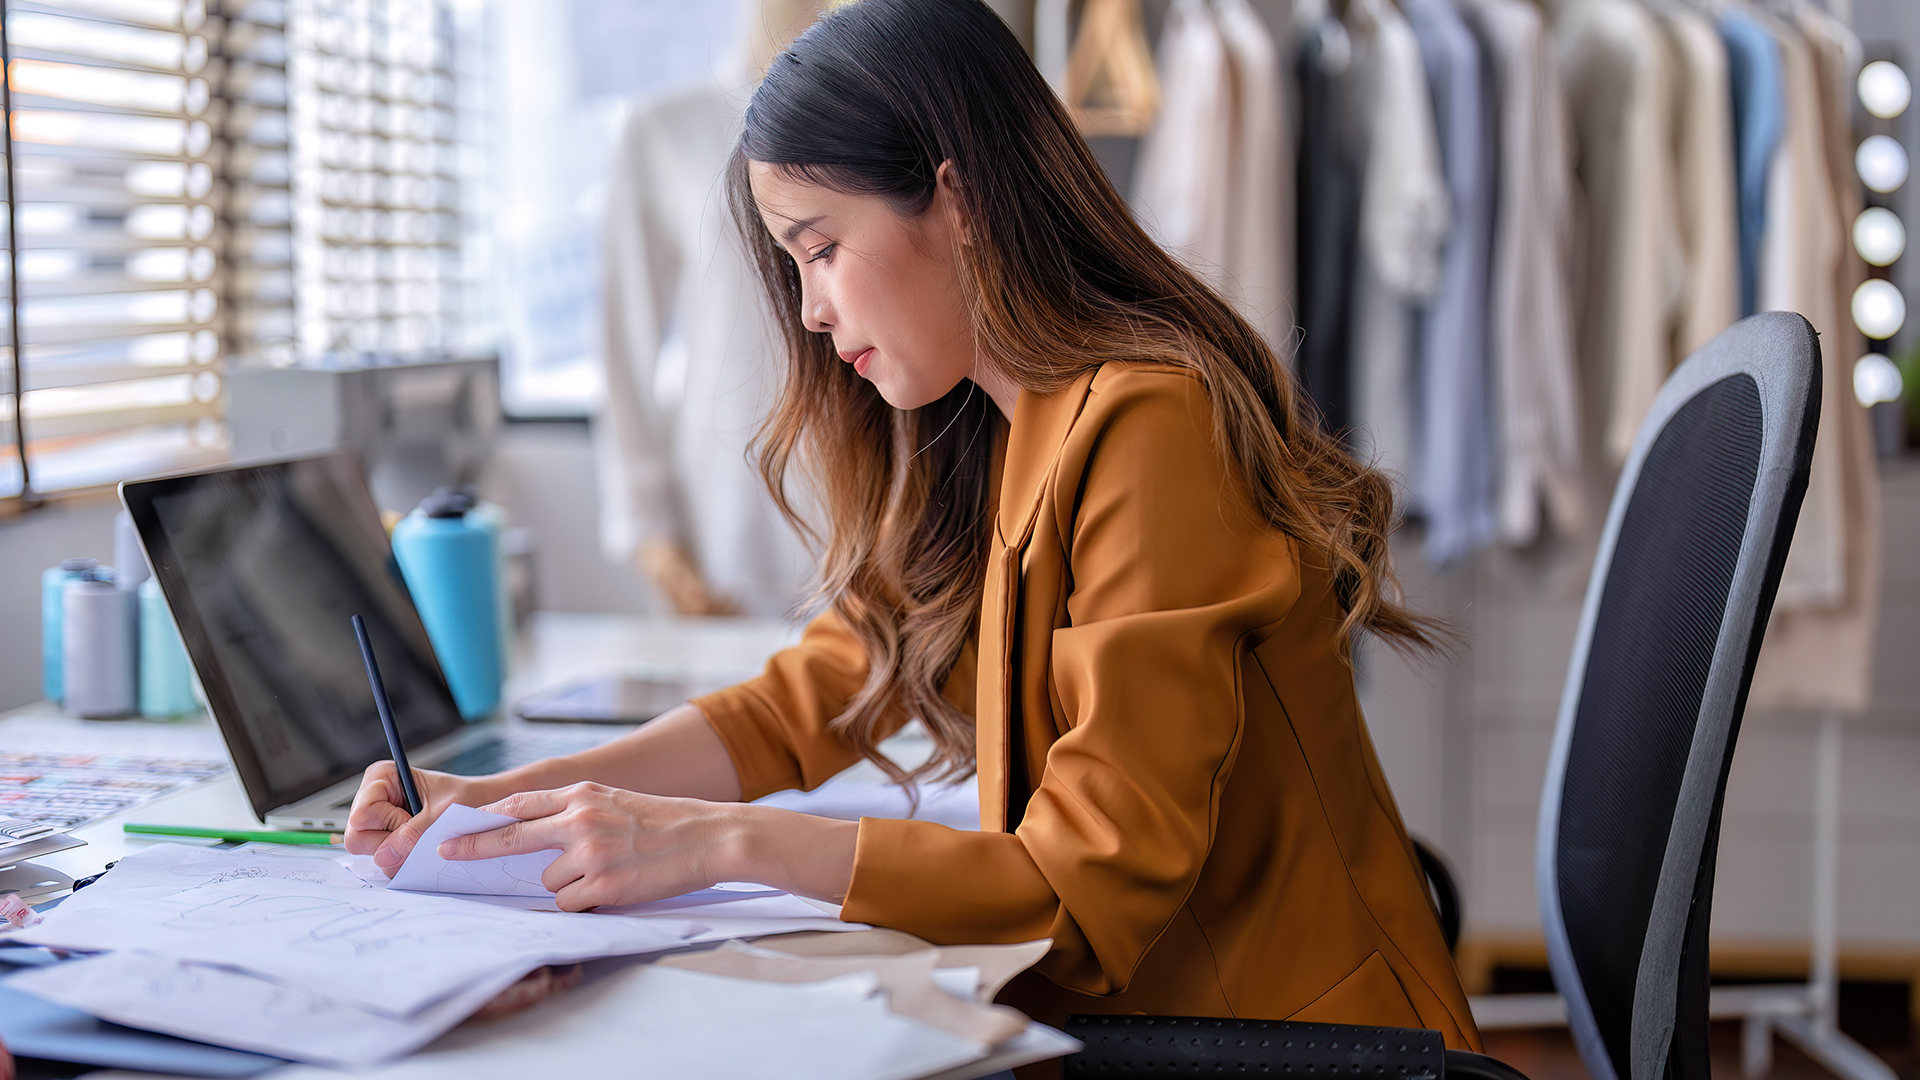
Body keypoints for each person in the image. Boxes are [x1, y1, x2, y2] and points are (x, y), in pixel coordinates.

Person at [347, 0, 1480, 1048]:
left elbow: (1088, 889)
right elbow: (808, 704)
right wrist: (504, 807)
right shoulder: (983, 423)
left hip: (1287, 1046)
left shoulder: (1151, 425)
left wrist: (710, 842)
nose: (809, 309)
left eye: (822, 249)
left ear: (961, 200)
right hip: (1142, 1024)